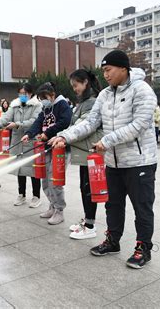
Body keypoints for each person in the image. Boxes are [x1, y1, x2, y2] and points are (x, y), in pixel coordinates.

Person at [50, 50, 158, 269]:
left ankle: (143, 248)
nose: (106, 75)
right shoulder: (105, 94)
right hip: (112, 162)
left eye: (108, 70)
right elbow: (90, 122)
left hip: (139, 162)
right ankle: (112, 241)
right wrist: (65, 136)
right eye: (104, 71)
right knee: (113, 205)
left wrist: (107, 141)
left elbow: (139, 125)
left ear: (123, 68)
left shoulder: (142, 90)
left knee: (142, 207)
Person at [21, 82, 72, 225]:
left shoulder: (62, 105)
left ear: (52, 95)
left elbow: (64, 122)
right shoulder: (46, 108)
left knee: (54, 181)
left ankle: (59, 210)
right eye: (40, 98)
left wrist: (47, 133)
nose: (42, 100)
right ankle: (52, 205)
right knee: (45, 180)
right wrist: (29, 133)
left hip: (60, 149)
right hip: (46, 148)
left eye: (44, 97)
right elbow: (39, 121)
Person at [65, 69, 105, 239]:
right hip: (84, 152)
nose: (74, 89)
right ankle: (88, 220)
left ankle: (89, 226)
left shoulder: (92, 102)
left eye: (76, 85)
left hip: (90, 151)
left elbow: (83, 126)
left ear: (85, 83)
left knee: (89, 189)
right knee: (85, 187)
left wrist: (63, 136)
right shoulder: (84, 101)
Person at [0, 83, 42, 208]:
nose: (22, 96)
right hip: (17, 141)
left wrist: (17, 124)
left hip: (30, 141)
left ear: (31, 93)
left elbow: (34, 121)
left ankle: (36, 196)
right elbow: (6, 117)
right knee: (19, 169)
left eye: (25, 94)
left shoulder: (37, 105)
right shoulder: (14, 105)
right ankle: (21, 194)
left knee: (32, 169)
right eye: (20, 94)